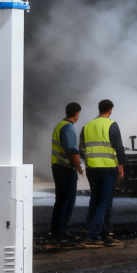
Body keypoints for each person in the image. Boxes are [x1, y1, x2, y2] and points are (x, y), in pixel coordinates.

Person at [81, 99, 127, 248]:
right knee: (104, 201)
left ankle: (101, 233)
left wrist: (89, 160)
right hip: (107, 168)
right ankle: (94, 236)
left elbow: (81, 149)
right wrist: (121, 166)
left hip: (91, 169)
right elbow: (119, 147)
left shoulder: (87, 126)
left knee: (95, 199)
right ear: (110, 109)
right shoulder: (111, 125)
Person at [50, 102, 83, 242]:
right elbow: (71, 150)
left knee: (60, 200)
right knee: (67, 201)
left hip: (58, 167)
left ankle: (56, 231)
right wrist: (79, 167)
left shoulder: (60, 125)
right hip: (65, 168)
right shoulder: (68, 127)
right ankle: (61, 232)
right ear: (77, 113)